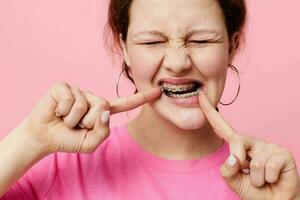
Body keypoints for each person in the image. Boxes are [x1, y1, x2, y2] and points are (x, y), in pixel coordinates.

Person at [0, 0, 299, 199]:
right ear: (125, 48)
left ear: (231, 47)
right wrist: (29, 140)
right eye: (153, 42)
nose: (178, 62)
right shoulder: (59, 166)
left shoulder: (267, 180)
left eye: (201, 40)